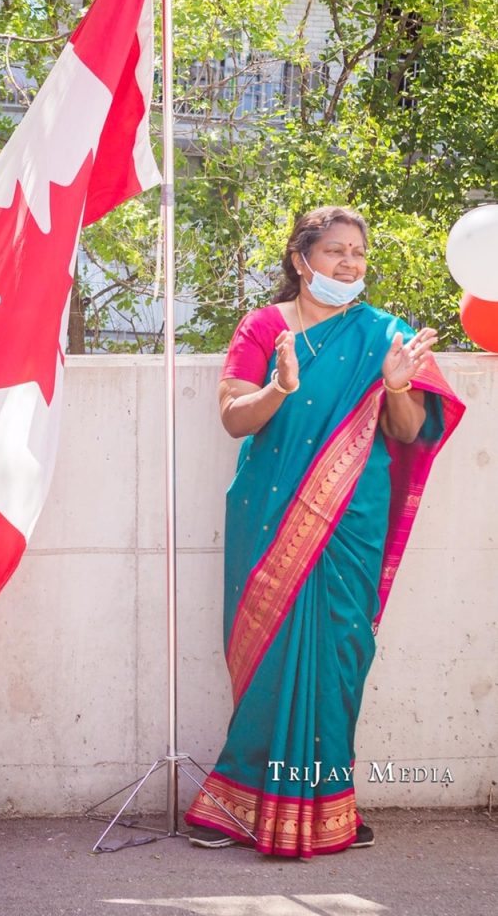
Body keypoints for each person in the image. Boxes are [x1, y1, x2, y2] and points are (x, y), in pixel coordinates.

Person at [185, 206, 465, 858]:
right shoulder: (263, 327)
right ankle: (237, 804)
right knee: (267, 656)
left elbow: (407, 431)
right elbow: (233, 418)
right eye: (335, 250)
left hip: (350, 519)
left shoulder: (384, 335)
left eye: (357, 253)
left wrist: (397, 386)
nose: (348, 263)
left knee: (341, 655)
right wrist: (279, 388)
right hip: (269, 512)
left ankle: (331, 802)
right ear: (300, 259)